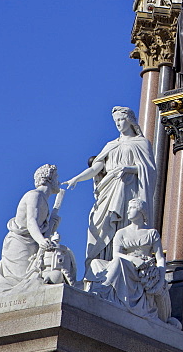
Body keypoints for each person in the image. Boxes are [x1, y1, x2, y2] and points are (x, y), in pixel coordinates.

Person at [65, 107, 157, 278]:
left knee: (122, 224)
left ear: (129, 120)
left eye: (121, 120)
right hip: (108, 191)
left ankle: (122, 265)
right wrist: (76, 178)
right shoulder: (111, 145)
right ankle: (102, 267)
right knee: (101, 226)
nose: (118, 124)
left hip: (128, 190)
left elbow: (149, 170)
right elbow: (96, 168)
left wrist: (128, 169)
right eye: (116, 122)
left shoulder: (142, 144)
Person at [0, 165, 60, 299]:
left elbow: (40, 230)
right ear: (48, 178)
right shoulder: (35, 195)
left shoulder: (44, 201)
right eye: (56, 177)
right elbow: (31, 221)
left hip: (31, 243)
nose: (59, 181)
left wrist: (51, 226)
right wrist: (42, 241)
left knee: (28, 280)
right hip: (18, 242)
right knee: (19, 282)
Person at [89, 199, 179, 327]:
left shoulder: (151, 233)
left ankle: (103, 290)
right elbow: (116, 255)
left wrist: (160, 280)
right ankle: (103, 290)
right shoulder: (121, 233)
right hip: (127, 263)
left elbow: (160, 259)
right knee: (96, 263)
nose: (128, 211)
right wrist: (133, 259)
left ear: (141, 210)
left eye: (131, 208)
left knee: (119, 263)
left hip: (143, 270)